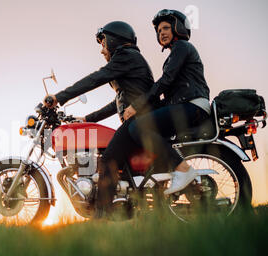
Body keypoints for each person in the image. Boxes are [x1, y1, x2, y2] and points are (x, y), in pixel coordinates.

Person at [42, 21, 155, 218]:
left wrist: (59, 97)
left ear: (113, 40)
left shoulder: (126, 56)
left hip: (140, 123)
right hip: (139, 121)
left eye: (103, 44)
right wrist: (86, 118)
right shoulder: (128, 61)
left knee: (108, 161)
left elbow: (96, 78)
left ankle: (101, 215)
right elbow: (117, 103)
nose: (102, 51)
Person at [127, 9, 211, 195]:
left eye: (166, 28)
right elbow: (168, 92)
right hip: (185, 105)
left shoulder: (182, 47)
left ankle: (183, 169)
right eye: (158, 31)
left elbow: (166, 80)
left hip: (193, 105)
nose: (161, 33)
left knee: (136, 128)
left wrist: (138, 105)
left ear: (178, 28)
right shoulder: (176, 53)